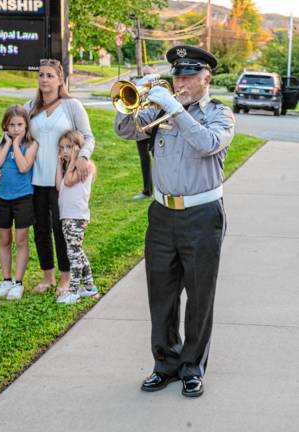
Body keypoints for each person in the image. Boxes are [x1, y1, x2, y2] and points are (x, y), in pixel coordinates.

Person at [114, 45, 235, 397]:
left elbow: (207, 143)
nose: (180, 81)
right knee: (161, 295)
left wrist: (175, 109)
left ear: (206, 78)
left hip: (202, 215)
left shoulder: (219, 114)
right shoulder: (159, 113)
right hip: (163, 214)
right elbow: (124, 130)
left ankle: (192, 367)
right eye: (177, 75)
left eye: (188, 75)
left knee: (200, 295)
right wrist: (138, 93)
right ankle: (165, 363)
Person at [24, 59, 95, 295]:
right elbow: (13, 134)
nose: (44, 79)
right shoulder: (30, 107)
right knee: (41, 228)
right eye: (41, 75)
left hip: (61, 181)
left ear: (60, 80)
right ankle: (48, 277)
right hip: (35, 179)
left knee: (60, 228)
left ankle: (66, 278)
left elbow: (88, 136)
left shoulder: (71, 106)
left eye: (50, 75)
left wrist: (83, 157)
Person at [0, 105, 38, 300]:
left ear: (26, 126)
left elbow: (23, 167)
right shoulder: (1, 143)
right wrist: (7, 144)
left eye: (20, 124)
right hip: (2, 198)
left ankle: (18, 282)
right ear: (5, 126)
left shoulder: (31, 144)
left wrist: (16, 144)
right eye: (12, 125)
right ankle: (7, 279)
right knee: (4, 240)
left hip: (23, 198)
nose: (16, 128)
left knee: (20, 240)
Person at [55, 130, 99, 305]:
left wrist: (74, 159)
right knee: (77, 252)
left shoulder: (84, 166)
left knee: (73, 254)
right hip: (68, 217)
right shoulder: (69, 168)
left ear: (80, 148)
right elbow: (59, 185)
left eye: (69, 147)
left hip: (76, 217)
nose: (65, 151)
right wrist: (60, 164)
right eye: (62, 148)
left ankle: (72, 291)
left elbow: (68, 182)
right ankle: (89, 287)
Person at [132, 64, 156, 200]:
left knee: (160, 160)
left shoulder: (156, 82)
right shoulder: (138, 85)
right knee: (144, 160)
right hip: (141, 128)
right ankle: (147, 191)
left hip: (154, 128)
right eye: (144, 73)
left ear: (154, 70)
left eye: (148, 72)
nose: (146, 74)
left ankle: (164, 190)